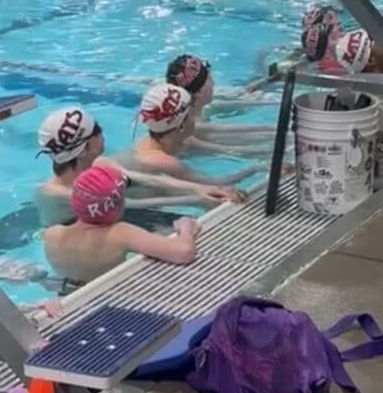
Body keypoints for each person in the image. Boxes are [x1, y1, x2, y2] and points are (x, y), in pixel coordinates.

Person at [35, 106, 241, 226]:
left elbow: (148, 178)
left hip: (112, 219)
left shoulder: (98, 164)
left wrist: (203, 189)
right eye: (98, 131)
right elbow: (128, 205)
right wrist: (195, 200)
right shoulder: (56, 194)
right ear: (87, 147)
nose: (102, 133)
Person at [43, 164, 199, 287]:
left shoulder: (52, 235)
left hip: (69, 295)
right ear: (115, 206)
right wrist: (186, 229)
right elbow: (184, 252)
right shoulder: (119, 233)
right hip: (111, 299)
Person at [118, 83, 260, 192]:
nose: (196, 119)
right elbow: (217, 184)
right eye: (192, 115)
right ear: (181, 126)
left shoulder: (171, 139)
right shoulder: (163, 161)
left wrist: (267, 155)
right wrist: (255, 169)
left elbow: (228, 151)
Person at [164, 55, 275, 154]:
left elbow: (236, 101)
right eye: (209, 79)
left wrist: (268, 83)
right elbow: (239, 147)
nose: (213, 83)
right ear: (198, 92)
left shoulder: (191, 112)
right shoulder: (195, 128)